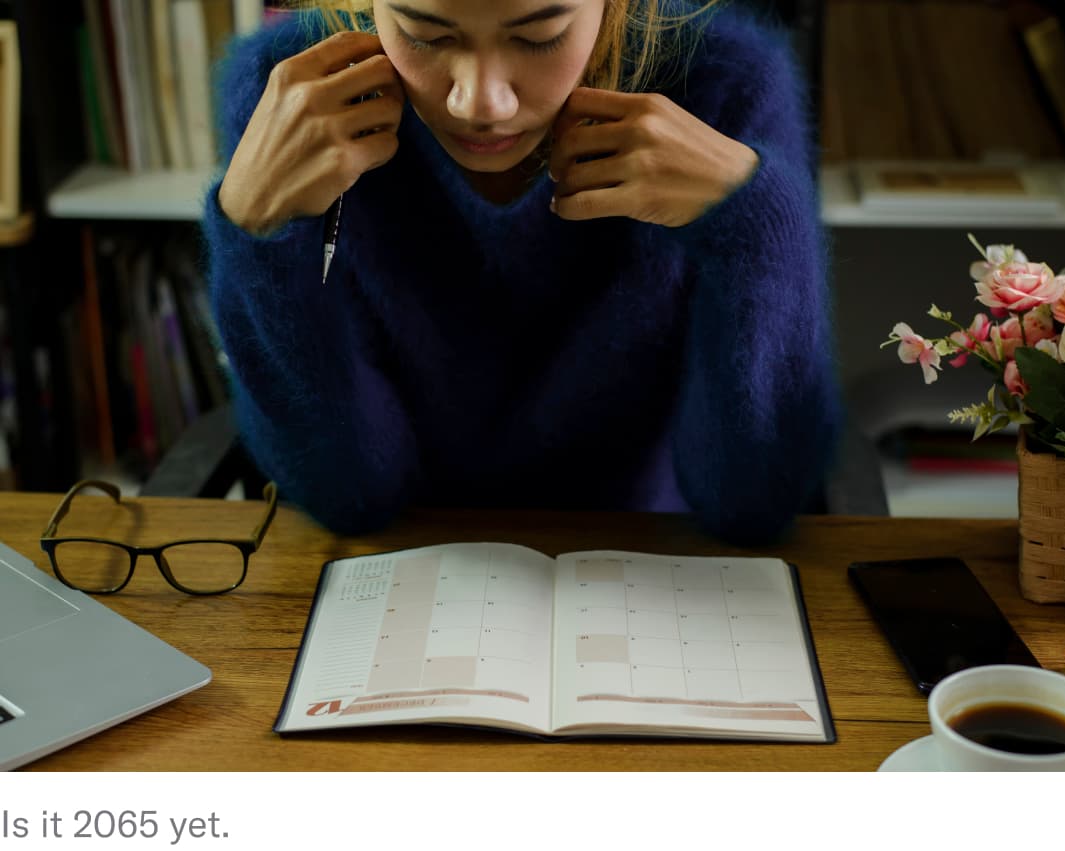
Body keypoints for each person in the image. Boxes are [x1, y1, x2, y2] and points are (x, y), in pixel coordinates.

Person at [204, 0, 842, 544]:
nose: (480, 102)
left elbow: (749, 502)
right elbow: (351, 497)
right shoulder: (293, 92)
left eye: (539, 36)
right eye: (425, 34)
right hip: (406, 572)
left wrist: (754, 224)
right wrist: (258, 237)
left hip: (649, 567)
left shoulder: (726, 80)